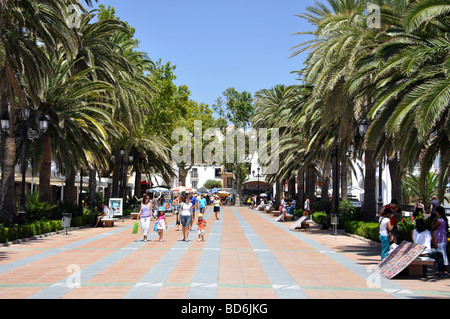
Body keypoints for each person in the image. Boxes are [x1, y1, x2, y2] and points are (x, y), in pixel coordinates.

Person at [432, 206, 448, 273]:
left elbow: (433, 227)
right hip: (441, 239)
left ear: (438, 212)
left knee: (442, 254)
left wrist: (432, 222)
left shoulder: (440, 220)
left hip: (441, 240)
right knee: (442, 254)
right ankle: (441, 269)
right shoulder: (443, 220)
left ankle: (445, 268)